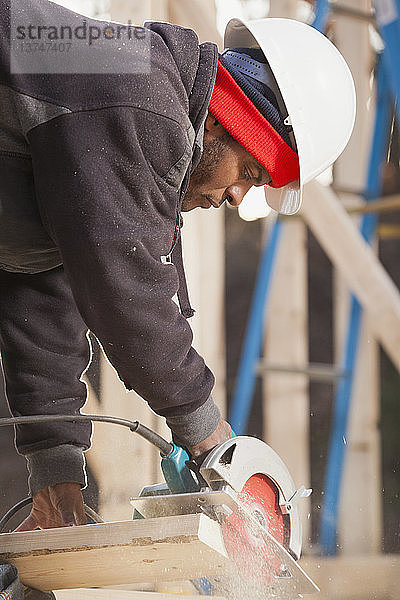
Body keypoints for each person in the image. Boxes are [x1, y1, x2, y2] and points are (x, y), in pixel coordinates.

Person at [0, 0, 356, 538]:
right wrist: (214, 444)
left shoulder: (118, 111)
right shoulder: (138, 92)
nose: (237, 196)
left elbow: (40, 281)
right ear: (227, 119)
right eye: (251, 170)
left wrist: (56, 482)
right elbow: (129, 299)